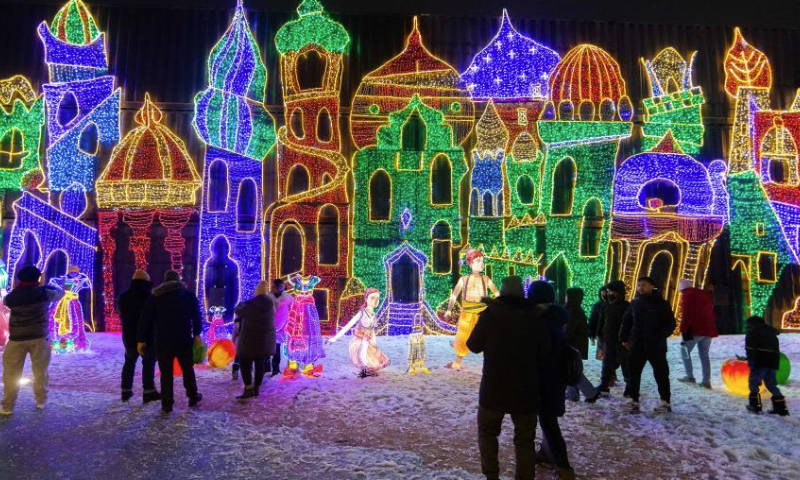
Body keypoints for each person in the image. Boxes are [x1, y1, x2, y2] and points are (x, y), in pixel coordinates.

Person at [467, 276, 551, 480]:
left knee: (487, 433)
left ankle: (491, 476)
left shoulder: (490, 315)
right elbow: (545, 354)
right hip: (526, 389)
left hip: (494, 388)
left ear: (502, 293)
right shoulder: (536, 318)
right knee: (525, 440)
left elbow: (473, 345)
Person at [138, 270, 204, 414]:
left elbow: (145, 319)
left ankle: (167, 404)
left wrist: (141, 339)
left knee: (166, 373)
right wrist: (197, 333)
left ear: (165, 281)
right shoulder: (188, 296)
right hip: (183, 339)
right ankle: (192, 396)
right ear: (178, 280)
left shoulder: (155, 297)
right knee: (187, 369)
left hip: (163, 341)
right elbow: (196, 316)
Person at [1, 266, 64, 415]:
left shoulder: (12, 296)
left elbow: (5, 302)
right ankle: (41, 401)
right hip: (39, 338)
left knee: (11, 374)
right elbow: (60, 293)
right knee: (40, 372)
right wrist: (46, 286)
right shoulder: (44, 293)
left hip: (16, 339)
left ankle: (7, 406)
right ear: (38, 278)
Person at [528, 280, 575, 480]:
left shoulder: (538, 319)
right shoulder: (556, 316)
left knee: (547, 421)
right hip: (556, 376)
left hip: (542, 376)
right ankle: (546, 453)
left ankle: (564, 467)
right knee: (547, 418)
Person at [619, 277, 676, 414]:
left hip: (656, 346)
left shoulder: (661, 304)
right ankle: (633, 400)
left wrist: (659, 336)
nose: (640, 287)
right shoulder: (635, 303)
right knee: (633, 373)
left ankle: (665, 401)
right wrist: (623, 338)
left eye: (643, 285)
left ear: (652, 286)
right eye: (639, 285)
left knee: (661, 373)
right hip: (637, 345)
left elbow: (670, 324)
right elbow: (626, 321)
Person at [445, 249, 499, 370]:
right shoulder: (464, 279)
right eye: (478, 261)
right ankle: (458, 361)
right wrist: (449, 309)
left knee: (487, 336)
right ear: (470, 263)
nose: (481, 264)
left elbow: (497, 293)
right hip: (467, 313)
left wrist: (500, 304)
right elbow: (454, 294)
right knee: (463, 336)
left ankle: (490, 361)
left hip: (482, 313)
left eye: (482, 261)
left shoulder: (486, 279)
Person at [117, 270, 159, 403]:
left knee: (129, 362)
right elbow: (152, 318)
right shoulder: (150, 297)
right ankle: (148, 391)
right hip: (147, 336)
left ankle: (126, 390)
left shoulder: (123, 297)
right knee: (148, 363)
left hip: (128, 336)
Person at [328, 288, 390, 377]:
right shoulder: (362, 312)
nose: (375, 301)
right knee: (362, 355)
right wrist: (335, 338)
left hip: (368, 340)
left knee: (372, 357)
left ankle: (368, 370)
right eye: (372, 298)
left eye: (377, 298)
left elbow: (371, 330)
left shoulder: (373, 314)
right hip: (359, 340)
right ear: (366, 299)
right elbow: (349, 325)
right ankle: (365, 370)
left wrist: (374, 342)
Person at [232, 281, 275, 400]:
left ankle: (249, 388)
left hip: (249, 340)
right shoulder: (270, 305)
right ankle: (257, 387)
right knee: (260, 364)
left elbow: (238, 311)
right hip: (264, 340)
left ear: (257, 292)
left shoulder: (250, 304)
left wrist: (241, 304)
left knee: (245, 363)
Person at [676, 279, 717, 388]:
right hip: (708, 330)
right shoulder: (703, 294)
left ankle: (690, 376)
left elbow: (687, 314)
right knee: (704, 356)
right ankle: (706, 381)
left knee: (684, 351)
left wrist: (684, 329)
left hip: (695, 330)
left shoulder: (687, 295)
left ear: (682, 289)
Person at [745, 316, 789, 416]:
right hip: (772, 363)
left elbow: (750, 349)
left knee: (753, 384)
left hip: (760, 363)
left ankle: (755, 406)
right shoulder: (771, 333)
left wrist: (752, 363)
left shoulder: (752, 332)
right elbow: (776, 351)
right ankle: (781, 408)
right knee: (771, 385)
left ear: (752, 324)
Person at [564, 288, 601, 403]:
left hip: (573, 345)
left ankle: (591, 393)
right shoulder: (574, 310)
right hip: (575, 345)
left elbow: (568, 331)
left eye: (567, 296)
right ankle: (573, 394)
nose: (565, 298)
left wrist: (562, 340)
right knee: (571, 369)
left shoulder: (574, 312)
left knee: (573, 370)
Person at [595, 280, 629, 396]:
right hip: (608, 339)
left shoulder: (626, 306)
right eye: (608, 291)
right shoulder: (606, 305)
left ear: (618, 292)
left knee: (626, 365)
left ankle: (630, 387)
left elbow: (630, 324)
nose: (608, 293)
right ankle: (604, 384)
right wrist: (599, 334)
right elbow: (602, 321)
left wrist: (627, 339)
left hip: (621, 341)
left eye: (611, 291)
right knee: (606, 363)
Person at [268, 279, 293, 376]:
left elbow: (292, 309)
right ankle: (267, 368)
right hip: (270, 326)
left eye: (274, 286)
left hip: (282, 327)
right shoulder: (269, 297)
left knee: (277, 347)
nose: (272, 287)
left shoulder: (288, 297)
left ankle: (276, 368)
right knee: (269, 348)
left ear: (279, 287)